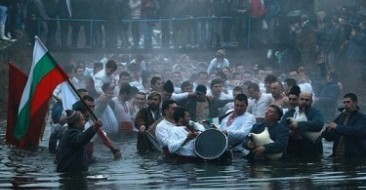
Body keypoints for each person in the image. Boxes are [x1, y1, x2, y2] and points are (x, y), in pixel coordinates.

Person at [281, 91, 324, 160]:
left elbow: (318, 124)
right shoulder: (290, 113)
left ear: (311, 101)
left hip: (311, 149)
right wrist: (290, 132)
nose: (304, 101)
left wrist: (298, 125)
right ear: (298, 100)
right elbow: (281, 127)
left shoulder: (315, 112)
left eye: (307, 100)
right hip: (293, 148)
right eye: (302, 99)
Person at [324, 93, 366, 161]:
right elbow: (331, 137)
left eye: (348, 102)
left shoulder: (362, 118)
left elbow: (356, 131)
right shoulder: (341, 117)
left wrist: (337, 127)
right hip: (338, 156)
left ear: (355, 102)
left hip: (355, 157)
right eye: (344, 102)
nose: (346, 104)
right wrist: (325, 132)